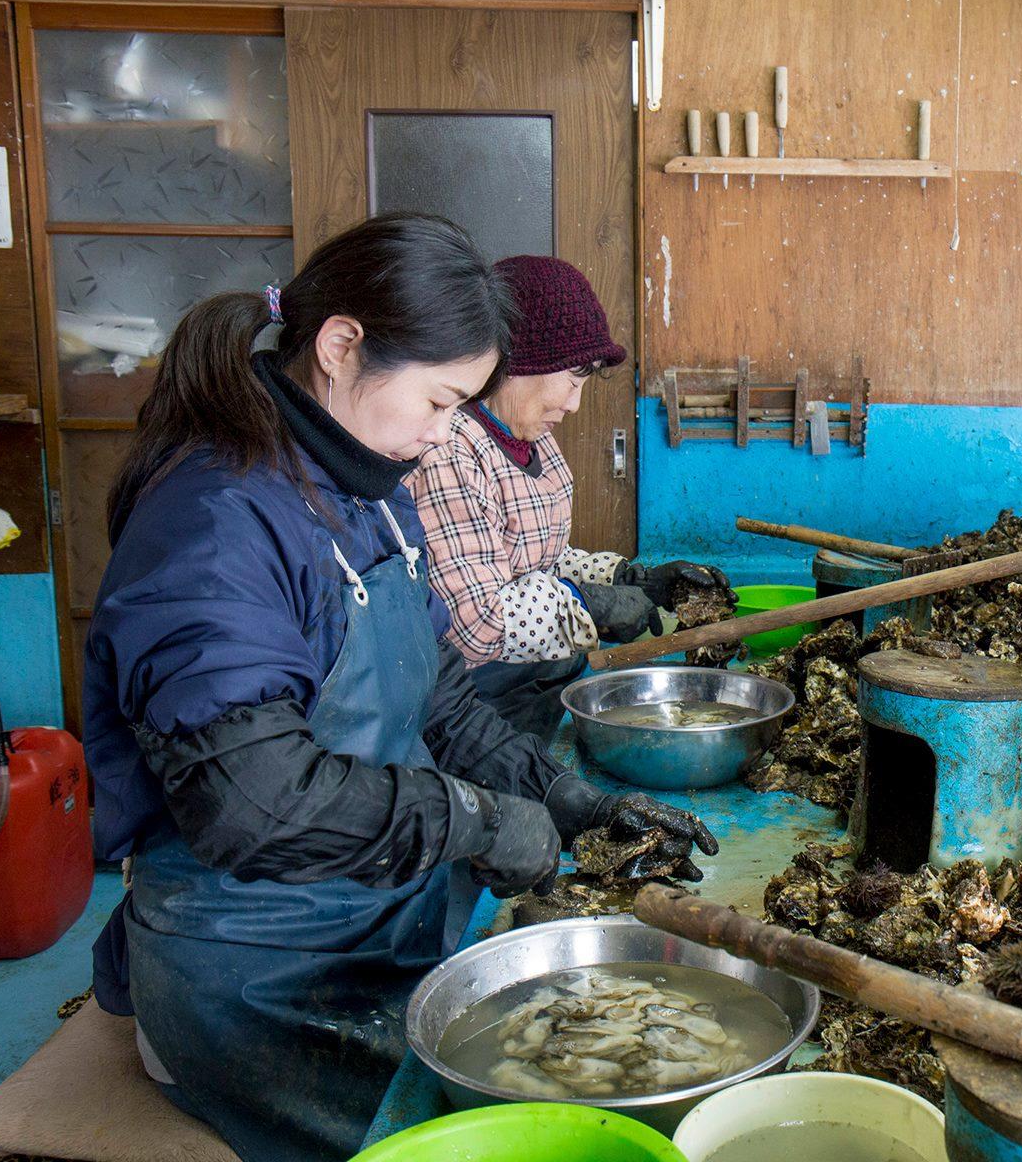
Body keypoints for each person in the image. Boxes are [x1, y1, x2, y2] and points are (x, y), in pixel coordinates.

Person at [82, 213, 717, 1162]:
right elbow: (250, 806)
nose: (444, 434)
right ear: (341, 347)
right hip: (256, 976)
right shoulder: (211, 528)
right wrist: (473, 820)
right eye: (439, 401)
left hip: (384, 921)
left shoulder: (364, 487)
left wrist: (568, 801)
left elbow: (443, 699)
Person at [410, 254, 727, 740]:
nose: (574, 403)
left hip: (532, 683)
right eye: (572, 378)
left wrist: (627, 576)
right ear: (518, 363)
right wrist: (589, 604)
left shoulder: (534, 441)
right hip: (465, 712)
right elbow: (473, 625)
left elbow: (542, 561)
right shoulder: (447, 448)